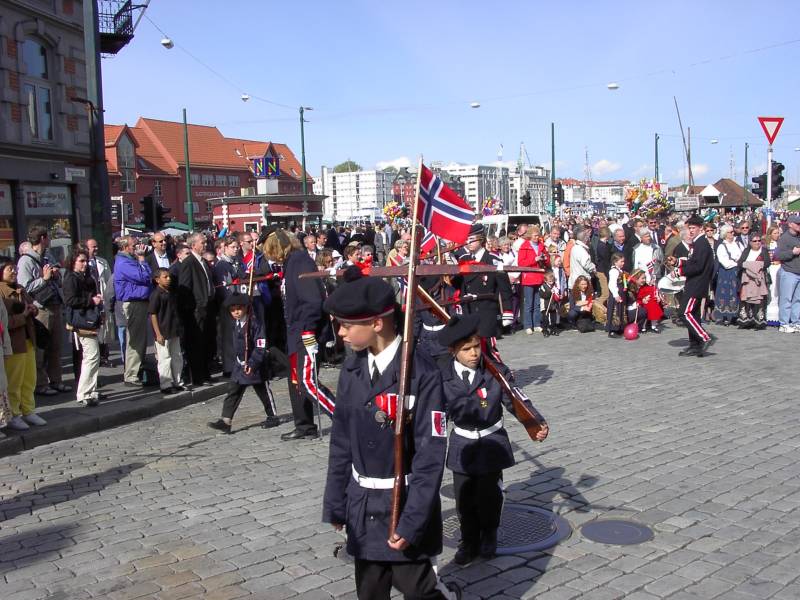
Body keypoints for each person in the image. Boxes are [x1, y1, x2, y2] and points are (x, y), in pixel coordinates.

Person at [321, 269, 459, 600]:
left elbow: (430, 456)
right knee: (369, 589)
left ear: (377, 323)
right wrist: (336, 502)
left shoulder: (420, 373)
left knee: (418, 587)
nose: (340, 333)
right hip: (362, 502)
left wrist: (412, 520)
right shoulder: (351, 368)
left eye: (347, 325)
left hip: (403, 502)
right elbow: (341, 440)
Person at [436, 313, 546, 566]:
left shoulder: (494, 372)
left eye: (476, 347)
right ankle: (468, 540)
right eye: (466, 349)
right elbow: (435, 411)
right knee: (464, 499)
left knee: (489, 498)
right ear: (453, 351)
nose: (474, 354)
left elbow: (516, 399)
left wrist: (534, 422)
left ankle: (489, 535)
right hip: (462, 445)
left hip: (491, 443)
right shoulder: (443, 376)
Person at [264, 230, 334, 441]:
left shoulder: (300, 261)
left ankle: (342, 416)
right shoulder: (290, 263)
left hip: (306, 331)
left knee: (307, 381)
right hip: (294, 332)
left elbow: (312, 300)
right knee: (295, 381)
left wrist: (308, 330)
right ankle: (304, 425)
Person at [207, 293, 279, 434]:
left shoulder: (255, 324)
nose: (236, 312)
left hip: (255, 366)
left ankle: (273, 416)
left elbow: (260, 347)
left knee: (263, 391)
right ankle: (226, 421)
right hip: (240, 365)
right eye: (233, 310)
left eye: (239, 309)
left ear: (246, 308)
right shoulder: (236, 324)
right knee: (233, 391)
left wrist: (252, 364)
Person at [17, 226, 70, 397]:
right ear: (42, 238)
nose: (49, 240)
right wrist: (44, 279)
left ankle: (56, 380)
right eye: (48, 237)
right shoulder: (26, 261)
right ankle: (40, 384)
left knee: (55, 347)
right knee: (40, 349)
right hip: (40, 309)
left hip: (55, 305)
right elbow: (24, 287)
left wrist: (55, 274)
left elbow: (58, 275)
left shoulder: (47, 255)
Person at [455, 224, 512, 360]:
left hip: (486, 312)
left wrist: (507, 311)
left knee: (487, 351)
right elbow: (458, 286)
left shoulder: (493, 260)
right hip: (468, 312)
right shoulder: (463, 260)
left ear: (481, 240)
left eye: (472, 239)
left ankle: (501, 377)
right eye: (467, 239)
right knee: (471, 351)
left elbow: (504, 289)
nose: (468, 243)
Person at [0, 257, 44, 430]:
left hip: (28, 339)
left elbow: (31, 306)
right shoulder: (2, 292)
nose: (14, 272)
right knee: (14, 381)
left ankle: (28, 410)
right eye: (10, 269)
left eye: (15, 269)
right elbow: (5, 322)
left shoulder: (20, 288)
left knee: (29, 378)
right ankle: (14, 413)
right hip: (13, 343)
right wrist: (23, 316)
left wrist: (33, 310)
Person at [63, 249, 103, 406]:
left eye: (86, 261)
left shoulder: (86, 277)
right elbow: (71, 300)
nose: (85, 264)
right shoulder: (70, 278)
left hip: (91, 318)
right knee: (91, 355)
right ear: (73, 262)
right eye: (81, 261)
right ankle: (83, 392)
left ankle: (91, 391)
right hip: (81, 320)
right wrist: (91, 301)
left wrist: (97, 302)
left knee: (94, 356)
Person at [113, 236, 153, 387]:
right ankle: (131, 375)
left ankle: (136, 371)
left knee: (139, 339)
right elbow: (145, 276)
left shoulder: (130, 260)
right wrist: (142, 259)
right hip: (134, 302)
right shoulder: (124, 262)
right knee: (135, 340)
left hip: (140, 301)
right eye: (134, 245)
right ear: (125, 247)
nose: (138, 247)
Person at [178, 232, 217, 385]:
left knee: (207, 341)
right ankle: (198, 376)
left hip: (208, 307)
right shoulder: (189, 262)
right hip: (196, 310)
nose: (205, 245)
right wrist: (192, 308)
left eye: (206, 242)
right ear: (193, 245)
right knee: (197, 343)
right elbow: (185, 288)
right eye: (203, 242)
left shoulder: (203, 261)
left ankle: (206, 373)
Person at [676, 215, 715, 356]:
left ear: (700, 229)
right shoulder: (697, 243)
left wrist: (680, 271)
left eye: (693, 228)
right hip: (695, 283)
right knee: (694, 314)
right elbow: (693, 262)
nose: (691, 231)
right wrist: (679, 263)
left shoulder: (701, 244)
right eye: (689, 228)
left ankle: (702, 337)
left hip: (697, 284)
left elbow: (698, 267)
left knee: (684, 313)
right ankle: (695, 345)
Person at [149, 268, 185, 394]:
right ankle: (166, 384)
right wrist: (157, 333)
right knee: (165, 358)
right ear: (157, 280)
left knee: (177, 356)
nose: (168, 279)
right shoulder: (156, 294)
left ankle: (178, 381)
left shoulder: (170, 292)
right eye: (165, 277)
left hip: (174, 329)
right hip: (163, 331)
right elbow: (153, 314)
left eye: (169, 276)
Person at [214, 236, 244, 377]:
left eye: (237, 247)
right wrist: (232, 304)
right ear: (225, 248)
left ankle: (237, 364)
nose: (236, 249)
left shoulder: (236, 262)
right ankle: (229, 367)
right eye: (233, 247)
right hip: (228, 306)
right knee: (228, 337)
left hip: (236, 304)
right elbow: (224, 287)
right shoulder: (222, 265)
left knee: (236, 335)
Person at [85, 239, 114, 367]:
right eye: (93, 247)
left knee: (105, 328)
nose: (95, 249)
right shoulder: (83, 263)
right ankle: (97, 357)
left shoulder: (103, 262)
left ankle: (104, 356)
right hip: (91, 300)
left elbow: (108, 280)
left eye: (97, 247)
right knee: (95, 328)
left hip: (102, 297)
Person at [516, 225, 549, 335]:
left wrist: (545, 258)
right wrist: (534, 259)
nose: (537, 237)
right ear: (530, 236)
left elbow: (547, 260)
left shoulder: (541, 245)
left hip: (539, 276)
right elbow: (521, 263)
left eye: (538, 235)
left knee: (537, 303)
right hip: (529, 277)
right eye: (535, 235)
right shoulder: (524, 246)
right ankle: (528, 325)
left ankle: (536, 324)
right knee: (529, 303)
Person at [737, 235, 770, 330]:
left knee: (759, 300)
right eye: (755, 241)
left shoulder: (763, 251)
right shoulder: (747, 251)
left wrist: (756, 267)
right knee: (746, 300)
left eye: (759, 240)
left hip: (759, 279)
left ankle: (759, 322)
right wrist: (750, 267)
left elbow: (767, 263)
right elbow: (740, 263)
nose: (757, 242)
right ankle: (746, 321)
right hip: (748, 279)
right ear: (750, 242)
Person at [774, 215, 800, 333]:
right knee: (786, 299)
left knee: (797, 300)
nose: (799, 225)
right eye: (797, 224)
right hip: (789, 272)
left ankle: (796, 322)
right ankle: (784, 323)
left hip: (798, 272)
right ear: (790, 224)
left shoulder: (798, 237)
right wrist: (792, 252)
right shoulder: (784, 238)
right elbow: (778, 255)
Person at [714, 224, 742, 326]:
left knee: (736, 293)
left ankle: (735, 315)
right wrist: (737, 263)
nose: (733, 234)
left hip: (738, 272)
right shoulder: (722, 246)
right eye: (730, 232)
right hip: (727, 273)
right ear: (725, 234)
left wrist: (741, 263)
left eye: (733, 232)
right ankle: (724, 316)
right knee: (726, 294)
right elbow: (725, 262)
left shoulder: (737, 244)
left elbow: (743, 256)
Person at [538, 270, 563, 337]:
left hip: (553, 305)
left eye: (553, 281)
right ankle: (545, 330)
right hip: (545, 306)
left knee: (553, 319)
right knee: (545, 319)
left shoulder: (555, 286)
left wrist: (559, 295)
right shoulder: (543, 286)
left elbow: (557, 294)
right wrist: (550, 292)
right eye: (550, 281)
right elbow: (543, 295)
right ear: (545, 281)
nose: (552, 283)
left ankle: (553, 330)